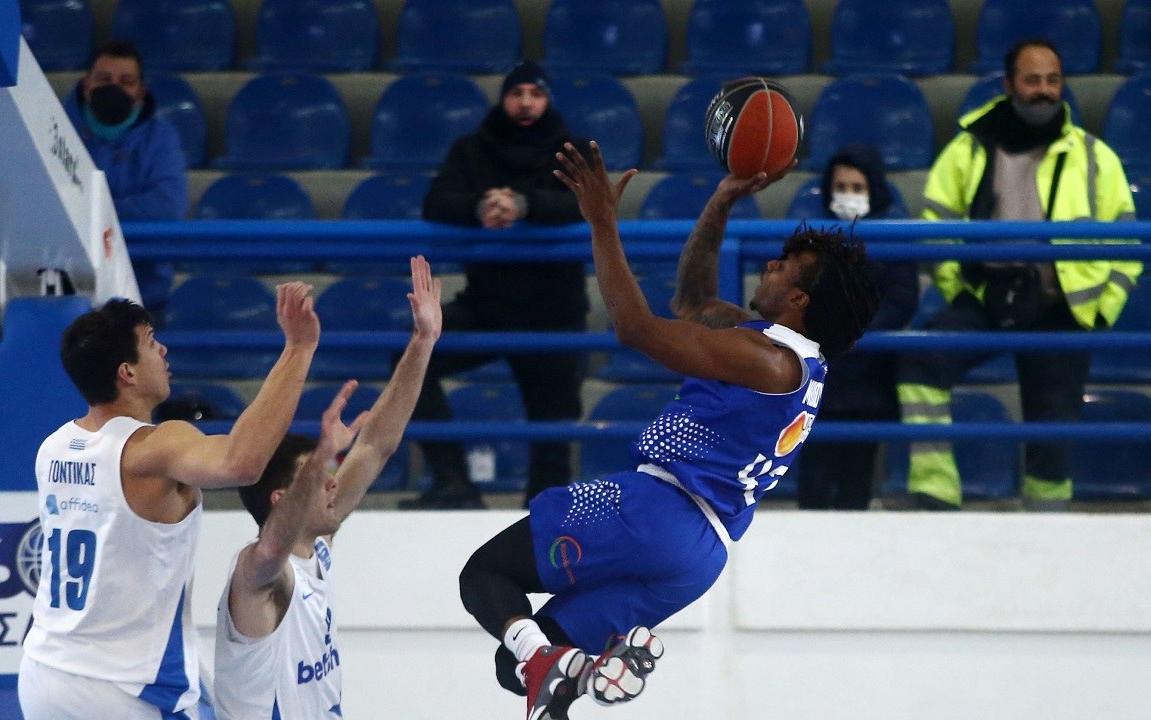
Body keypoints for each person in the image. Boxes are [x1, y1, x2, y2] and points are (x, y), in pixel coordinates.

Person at [457, 141, 878, 720]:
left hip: (656, 509)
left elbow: (635, 327)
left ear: (799, 299)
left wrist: (602, 222)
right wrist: (721, 201)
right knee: (518, 662)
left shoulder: (765, 359)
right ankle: (582, 671)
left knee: (485, 573)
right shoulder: (794, 364)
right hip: (699, 557)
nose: (770, 266)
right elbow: (693, 300)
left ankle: (559, 665)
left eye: (783, 267)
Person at [18, 283, 321, 719]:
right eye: (150, 342)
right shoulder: (152, 447)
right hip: (122, 688)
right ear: (127, 372)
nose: (163, 350)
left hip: (43, 670)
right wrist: (298, 349)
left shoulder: (54, 447)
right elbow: (243, 462)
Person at [899, 38, 1138, 511]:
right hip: (986, 298)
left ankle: (1049, 527)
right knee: (920, 363)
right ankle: (935, 494)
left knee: (1053, 433)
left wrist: (1099, 309)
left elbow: (1128, 243)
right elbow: (936, 227)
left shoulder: (1096, 156)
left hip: (1064, 308)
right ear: (1009, 85)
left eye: (1053, 80)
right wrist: (962, 287)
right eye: (1032, 80)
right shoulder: (967, 149)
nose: (1044, 90)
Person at [213, 256, 442, 719]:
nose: (332, 482)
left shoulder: (317, 547)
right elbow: (270, 548)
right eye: (320, 478)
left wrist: (423, 342)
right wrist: (320, 456)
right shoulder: (260, 576)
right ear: (281, 500)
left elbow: (376, 445)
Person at [399, 60, 591, 510]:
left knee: (552, 429)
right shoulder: (471, 149)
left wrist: (525, 205)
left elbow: (589, 202)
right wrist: (479, 206)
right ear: (503, 98)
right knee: (408, 362)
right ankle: (453, 482)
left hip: (553, 311)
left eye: (535, 94)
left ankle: (544, 517)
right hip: (487, 304)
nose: (525, 103)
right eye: (516, 93)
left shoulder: (573, 149)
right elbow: (436, 202)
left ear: (548, 100)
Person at [796, 144, 919, 510]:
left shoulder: (895, 237)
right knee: (813, 486)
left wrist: (855, 332)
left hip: (869, 378)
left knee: (857, 488)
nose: (848, 195)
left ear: (874, 189)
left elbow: (901, 299)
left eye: (857, 187)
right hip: (817, 379)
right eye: (841, 187)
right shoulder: (809, 238)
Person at [64, 40, 188, 321]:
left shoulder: (161, 137)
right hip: (68, 294)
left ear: (140, 92)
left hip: (145, 294)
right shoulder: (56, 130)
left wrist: (92, 209)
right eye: (104, 79)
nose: (114, 88)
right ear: (86, 84)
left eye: (126, 81)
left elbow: (168, 205)